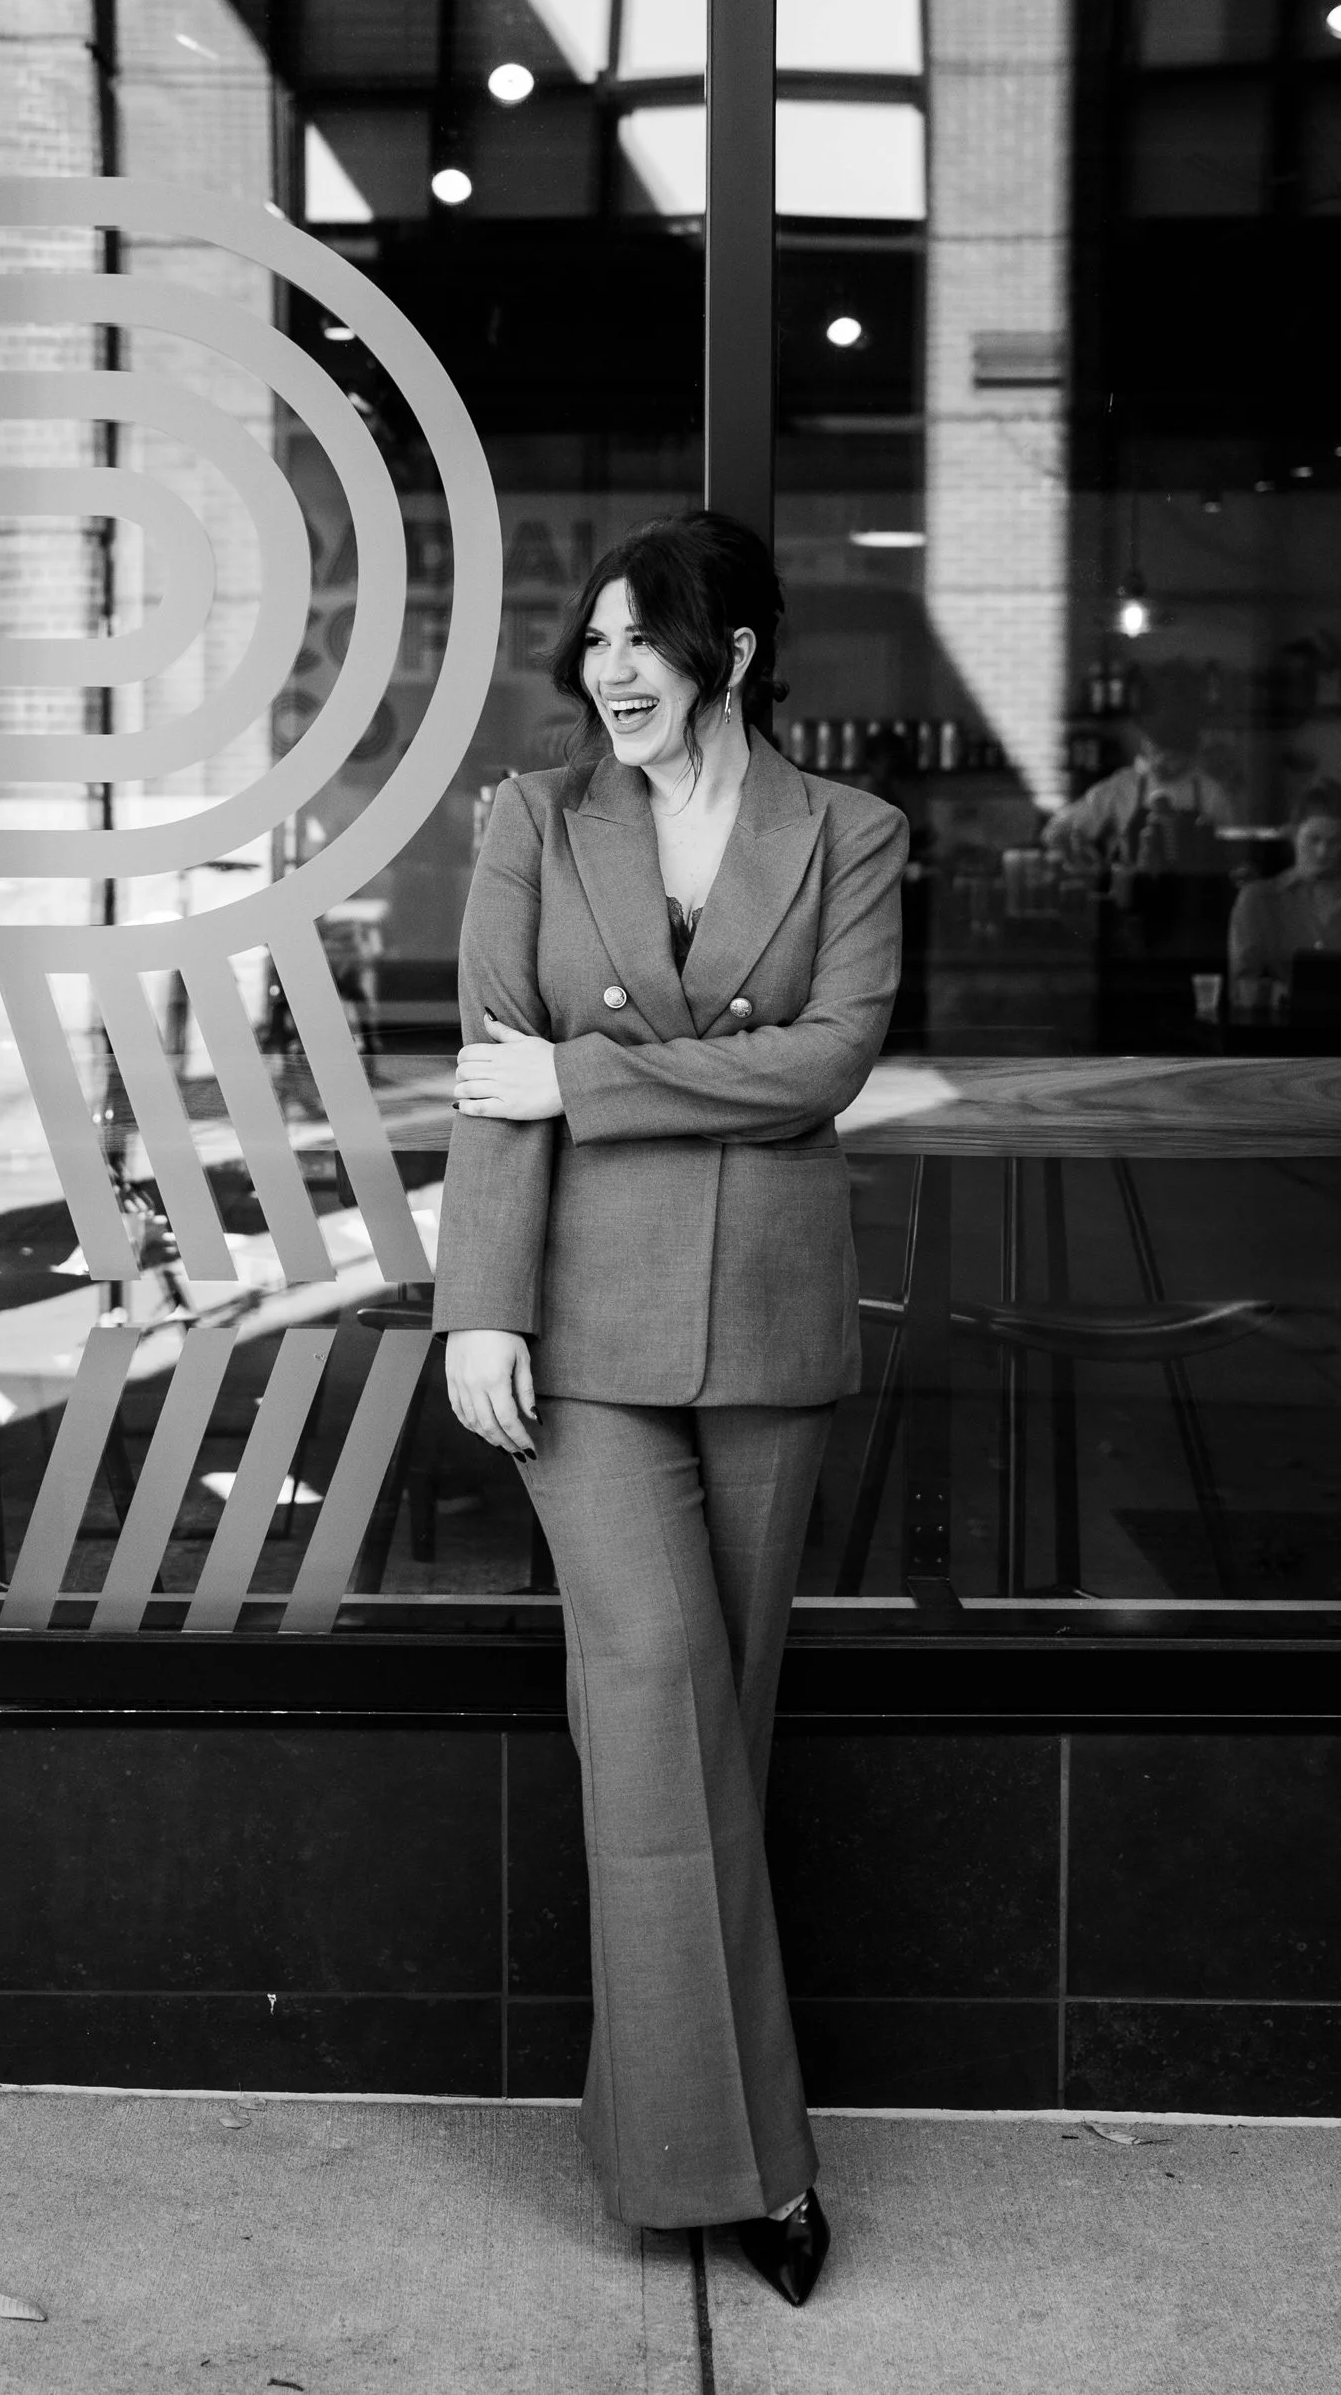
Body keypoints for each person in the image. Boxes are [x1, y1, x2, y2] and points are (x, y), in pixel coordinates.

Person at [432, 511, 907, 2308]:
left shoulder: (851, 831)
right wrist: (475, 1304)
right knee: (652, 1707)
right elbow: (494, 1073)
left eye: (646, 639)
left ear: (740, 650)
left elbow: (832, 1062)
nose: (611, 670)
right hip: (579, 1339)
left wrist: (590, 1075)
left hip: (772, 1338)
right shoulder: (533, 822)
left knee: (721, 1732)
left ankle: (668, 2133)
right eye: (597, 645)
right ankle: (761, 2172)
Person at [1228, 779, 1341, 993]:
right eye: (1313, 840)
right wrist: (1284, 994)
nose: (1322, 852)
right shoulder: (1258, 899)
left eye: (1333, 842)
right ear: (1294, 835)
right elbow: (1241, 985)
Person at [1043, 703, 1234, 867]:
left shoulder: (1210, 792)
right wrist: (1074, 846)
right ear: (1145, 745)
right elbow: (1057, 828)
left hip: (1194, 896)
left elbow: (1230, 851)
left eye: (1172, 757)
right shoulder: (1123, 785)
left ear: (1189, 757)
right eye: (1156, 751)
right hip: (1130, 891)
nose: (1160, 762)